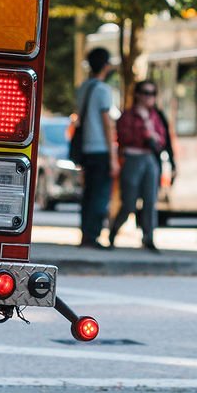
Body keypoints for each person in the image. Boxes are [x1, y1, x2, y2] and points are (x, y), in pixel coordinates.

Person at [108, 80, 174, 250]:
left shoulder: (155, 116)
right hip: (132, 158)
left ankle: (148, 237)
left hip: (150, 159)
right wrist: (145, 130)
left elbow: (162, 139)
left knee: (150, 200)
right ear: (137, 94)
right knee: (129, 201)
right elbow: (125, 137)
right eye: (145, 93)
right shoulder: (128, 116)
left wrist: (150, 130)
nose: (149, 97)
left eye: (152, 94)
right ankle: (114, 230)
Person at [74, 48, 121, 249]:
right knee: (100, 194)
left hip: (85, 148)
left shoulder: (83, 87)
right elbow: (106, 123)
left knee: (88, 194)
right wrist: (113, 157)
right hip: (100, 149)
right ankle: (92, 236)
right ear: (106, 66)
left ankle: (85, 234)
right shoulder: (103, 90)